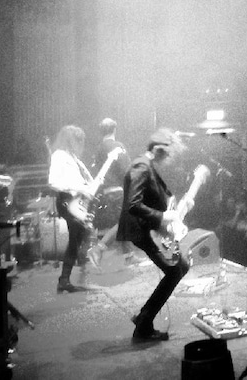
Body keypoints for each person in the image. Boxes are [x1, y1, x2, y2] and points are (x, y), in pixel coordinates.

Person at [117, 127, 190, 342]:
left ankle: (144, 319)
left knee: (180, 267)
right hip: (142, 229)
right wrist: (161, 218)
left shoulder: (147, 166)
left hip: (147, 228)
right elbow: (133, 204)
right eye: (167, 153)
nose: (168, 158)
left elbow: (160, 199)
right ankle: (143, 323)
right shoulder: (141, 166)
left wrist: (177, 208)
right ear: (158, 149)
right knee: (175, 271)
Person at [47, 125, 97, 293]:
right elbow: (53, 182)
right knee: (77, 236)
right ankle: (69, 276)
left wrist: (89, 185)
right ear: (71, 140)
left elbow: (82, 180)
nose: (81, 144)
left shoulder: (73, 158)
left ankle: (66, 278)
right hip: (67, 201)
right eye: (78, 140)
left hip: (76, 201)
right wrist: (78, 188)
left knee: (78, 237)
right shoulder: (59, 156)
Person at [87, 118, 134, 269]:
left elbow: (95, 171)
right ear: (114, 130)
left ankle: (129, 256)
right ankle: (100, 247)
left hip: (105, 192)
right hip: (118, 190)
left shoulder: (98, 149)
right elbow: (126, 170)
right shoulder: (118, 147)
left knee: (120, 224)